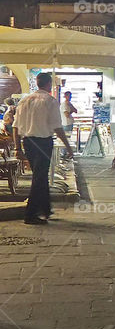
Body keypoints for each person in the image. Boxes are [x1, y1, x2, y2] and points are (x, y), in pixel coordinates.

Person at [12, 72, 75, 225]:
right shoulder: (50, 101)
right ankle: (30, 214)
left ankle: (45, 208)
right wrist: (68, 146)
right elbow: (57, 127)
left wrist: (17, 148)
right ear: (49, 84)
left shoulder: (24, 101)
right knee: (39, 177)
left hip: (28, 143)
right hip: (43, 143)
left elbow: (15, 127)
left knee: (40, 175)